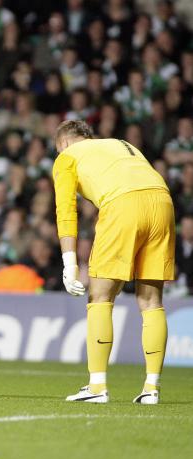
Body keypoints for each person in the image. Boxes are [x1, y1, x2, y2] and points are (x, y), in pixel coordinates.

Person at [52, 120, 174, 405]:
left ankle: (97, 386)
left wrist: (69, 263)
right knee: (151, 300)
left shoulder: (67, 157)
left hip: (122, 205)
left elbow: (66, 211)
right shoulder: (123, 145)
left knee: (100, 296)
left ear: (65, 144)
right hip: (163, 202)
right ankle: (151, 387)